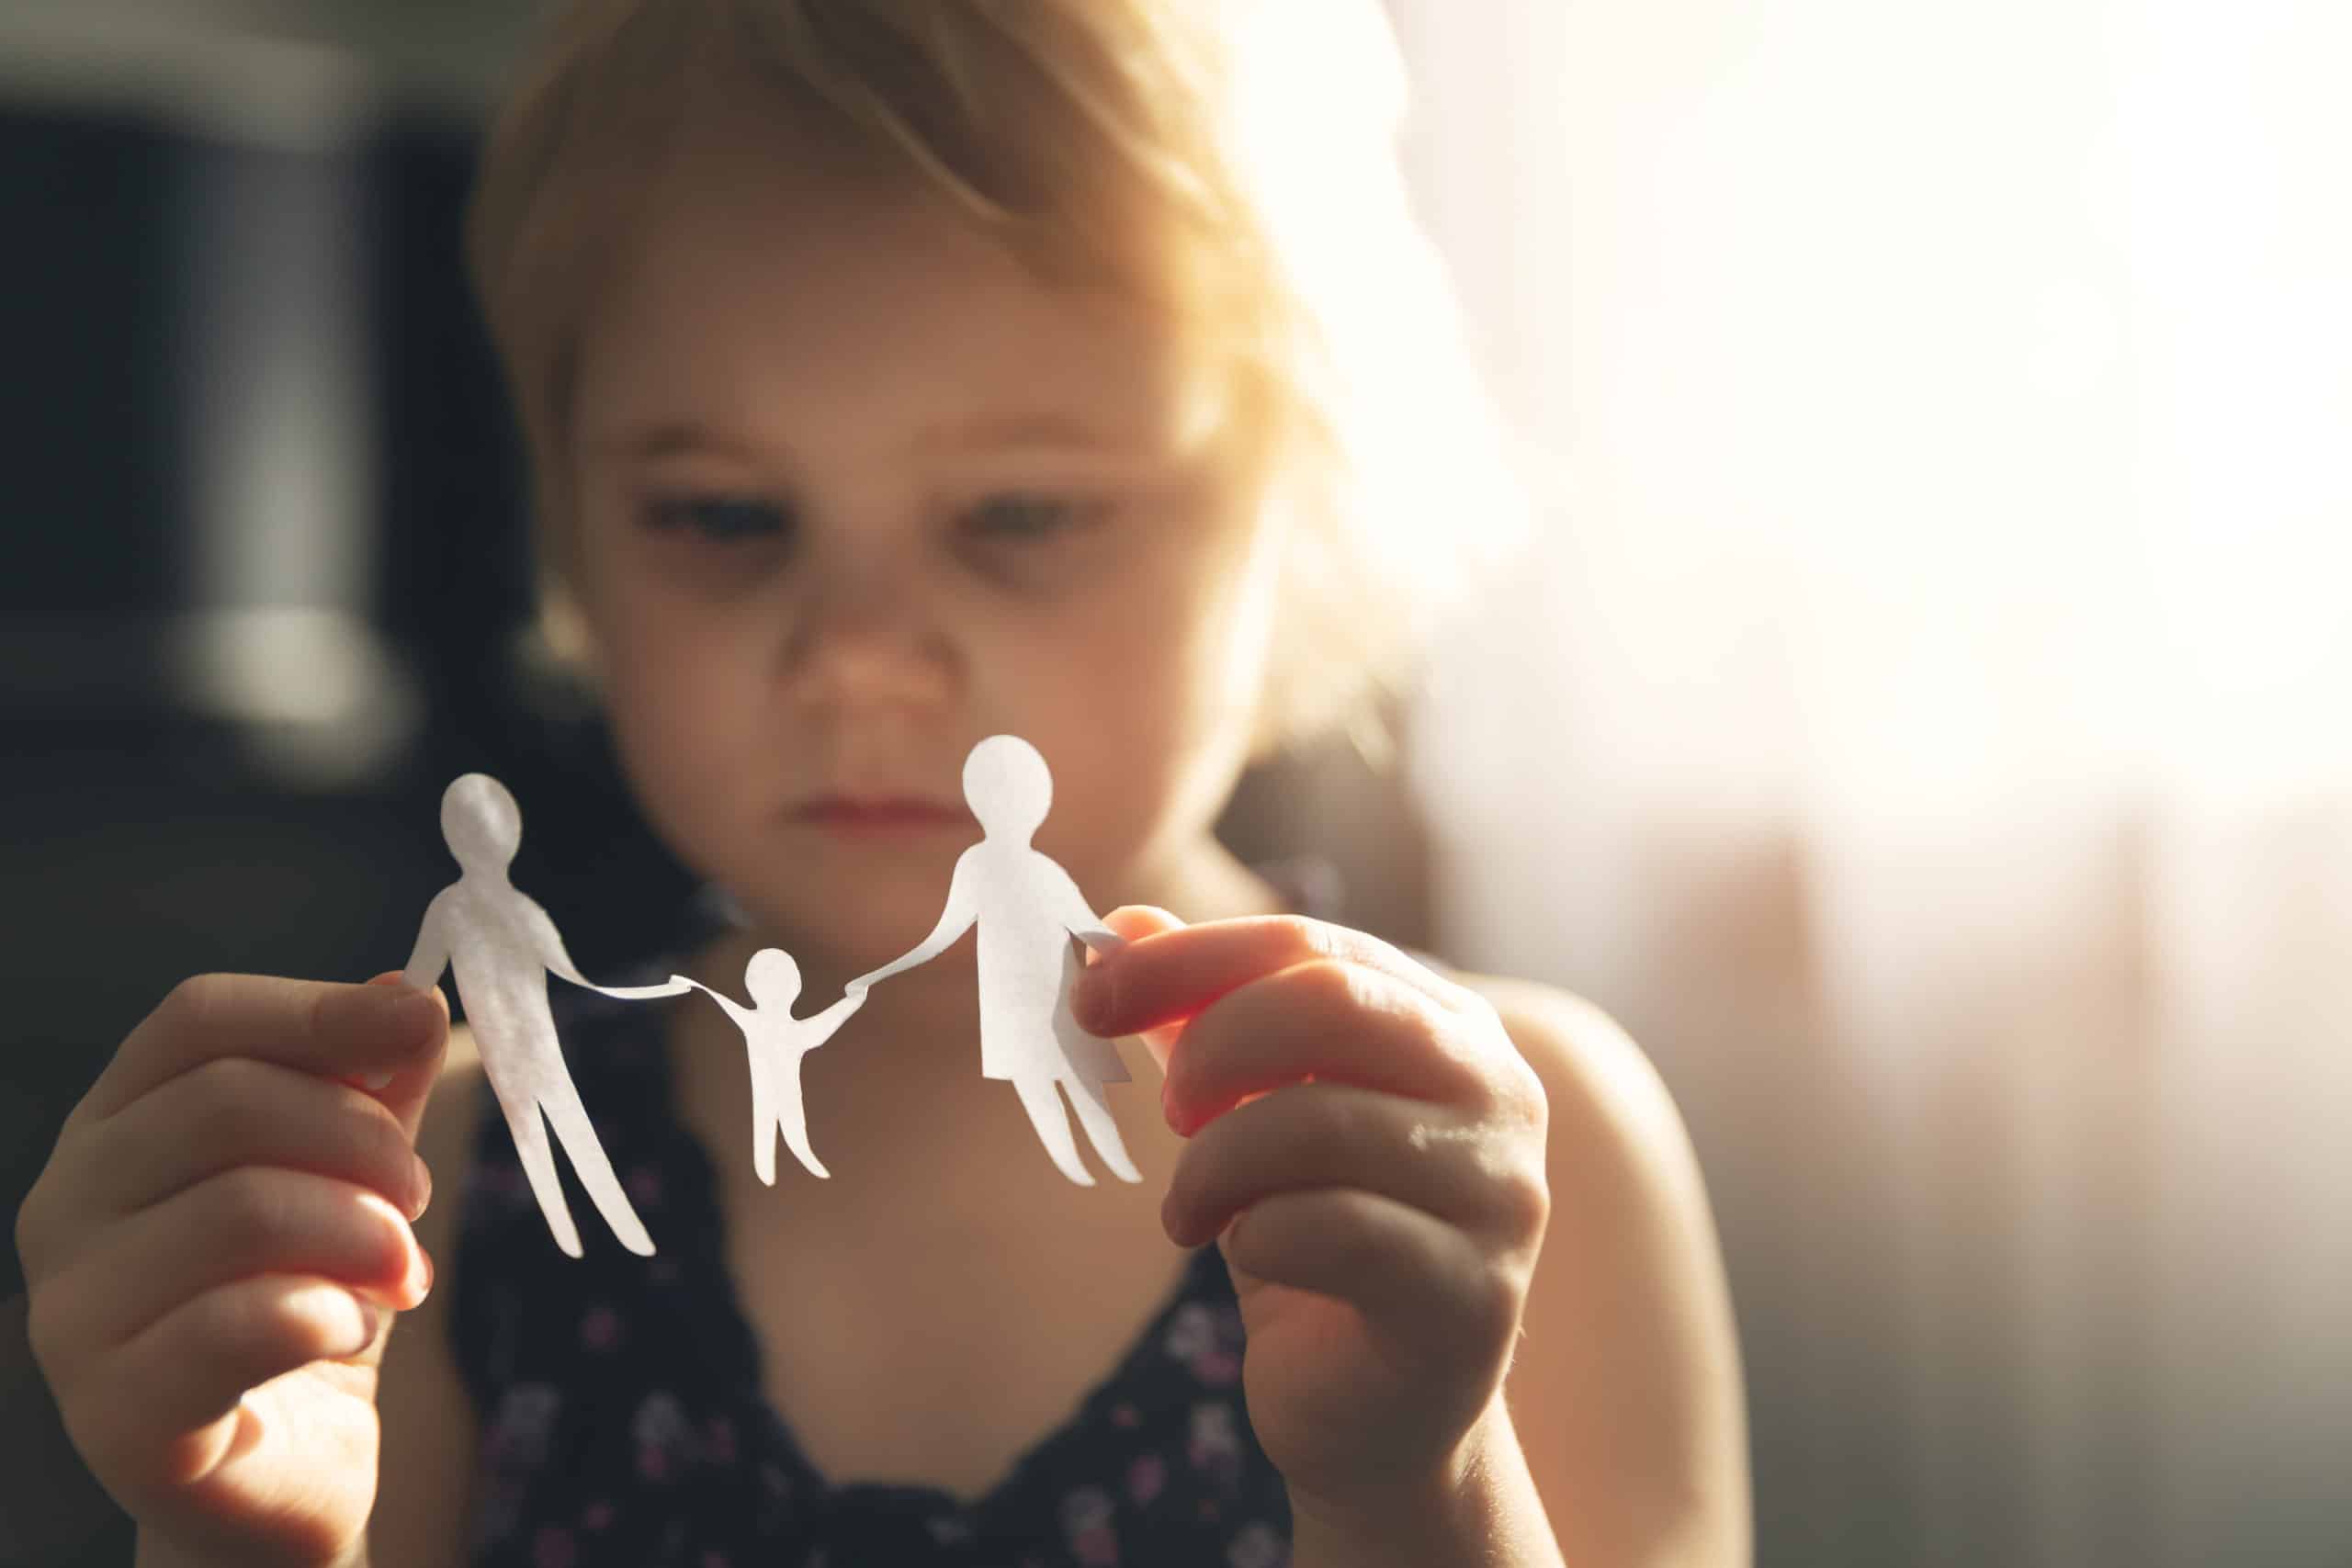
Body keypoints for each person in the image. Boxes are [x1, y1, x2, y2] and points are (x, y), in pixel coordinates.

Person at [10, 2, 1752, 1564]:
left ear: (1301, 512)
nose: (851, 655)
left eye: (1018, 514)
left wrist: (1409, 1488)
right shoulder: (450, 1184)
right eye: (723, 517)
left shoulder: (1506, 1157)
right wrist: (232, 1540)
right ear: (573, 534)